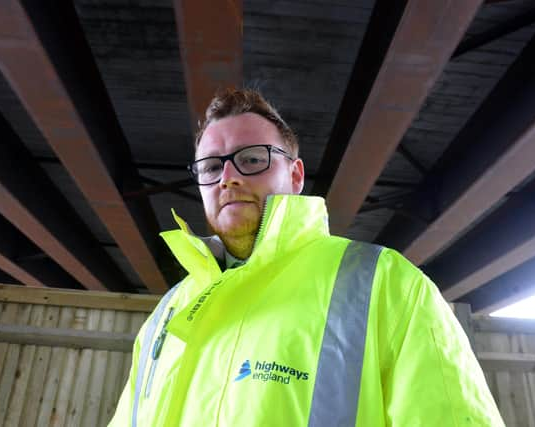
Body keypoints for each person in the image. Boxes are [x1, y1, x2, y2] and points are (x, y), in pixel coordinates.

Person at [109, 89, 504, 426]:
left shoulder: (384, 284)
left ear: (296, 176)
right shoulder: (168, 312)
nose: (228, 177)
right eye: (211, 166)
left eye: (251, 159)